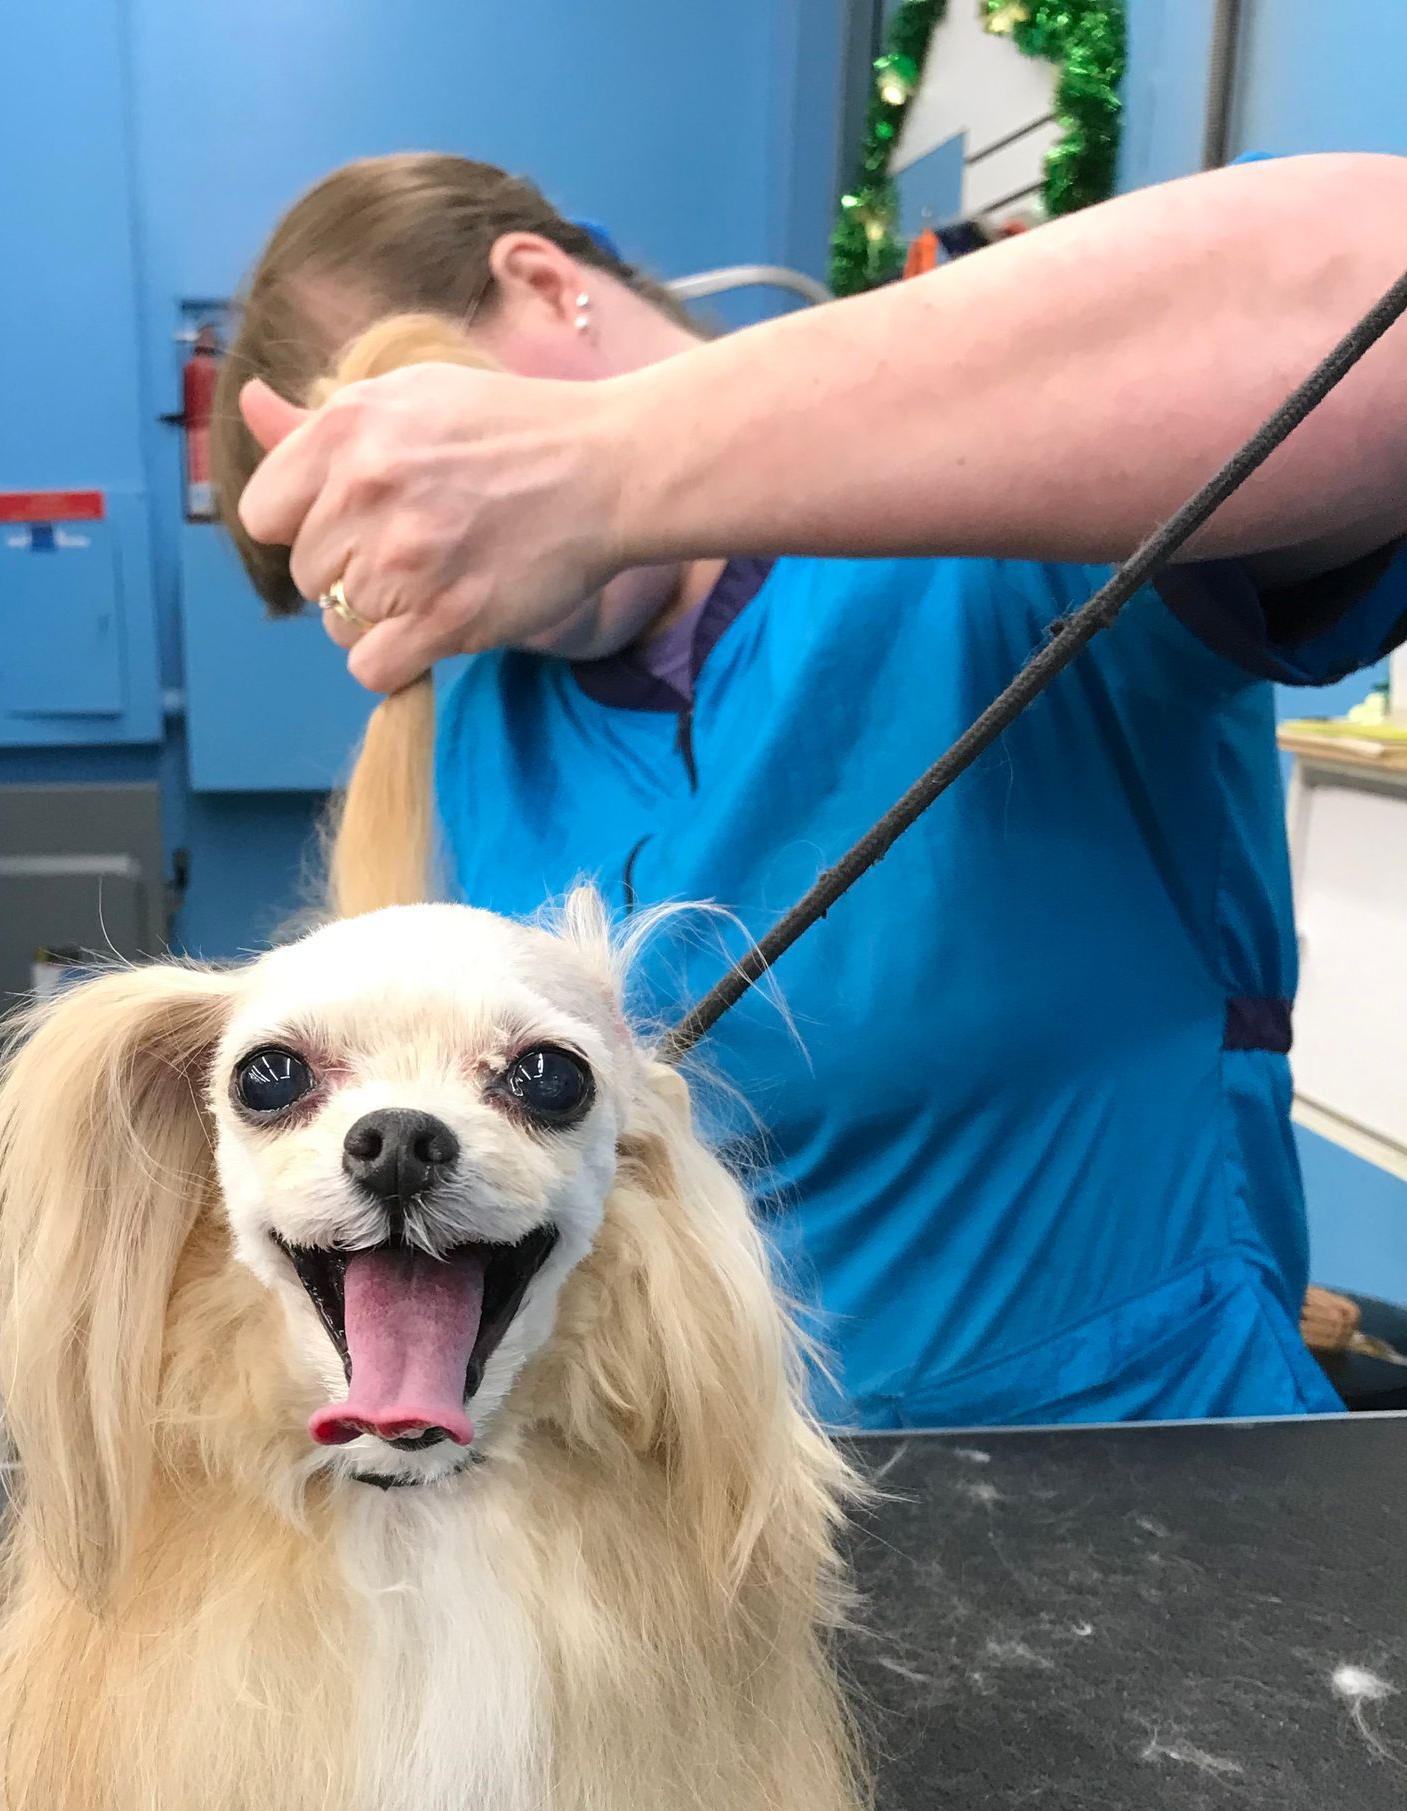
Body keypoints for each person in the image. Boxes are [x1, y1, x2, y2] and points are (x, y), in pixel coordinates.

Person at [213, 151, 1407, 1429]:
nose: (422, 568)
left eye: (422, 471)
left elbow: (1371, 276)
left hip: (1155, 1468)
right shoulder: (479, 728)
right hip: (701, 1538)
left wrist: (606, 468)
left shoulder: (997, 529)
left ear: (545, 281)